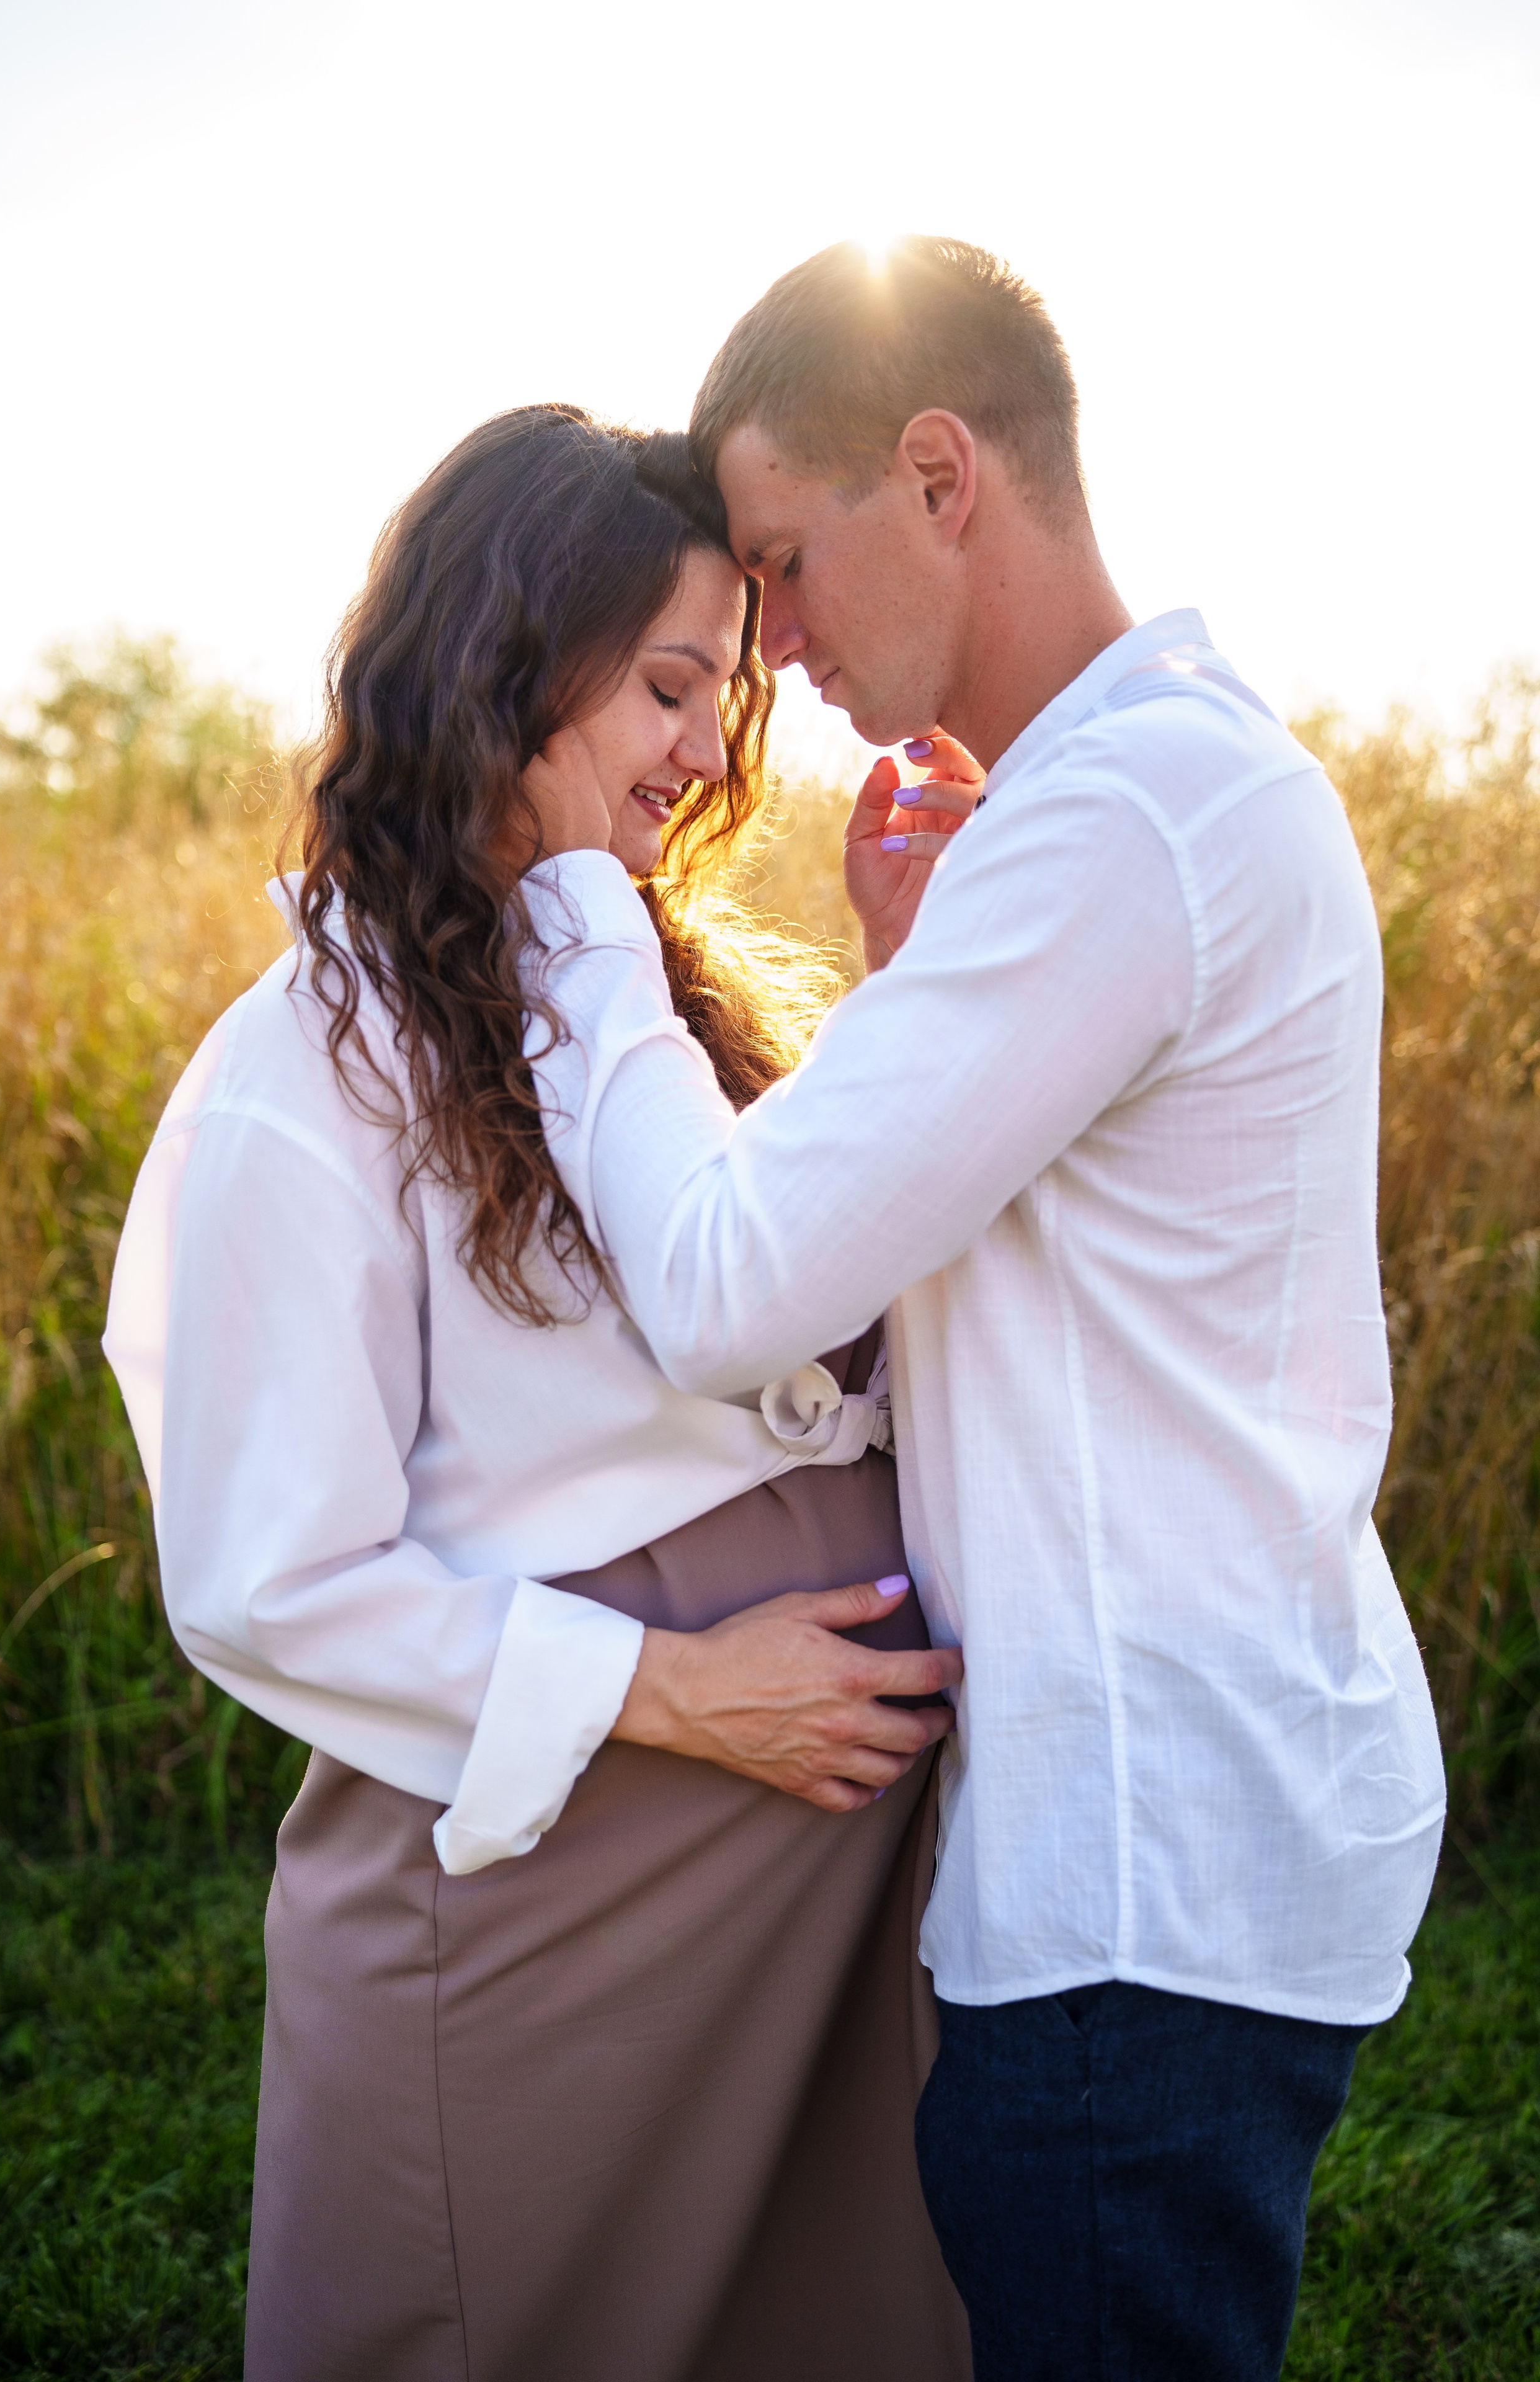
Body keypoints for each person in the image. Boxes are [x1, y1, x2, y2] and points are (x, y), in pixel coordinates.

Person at [519, 239, 1449, 2382]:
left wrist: (580, 904)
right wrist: (910, 980)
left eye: (781, 561)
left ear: (940, 474)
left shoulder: (1120, 820)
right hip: (1186, 1836)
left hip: (1142, 1892)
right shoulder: (1150, 791)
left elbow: (731, 1287)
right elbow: (964, 1231)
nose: (771, 644)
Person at [103, 404, 971, 2382]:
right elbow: (264, 1574)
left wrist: (911, 990)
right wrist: (681, 1695)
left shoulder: (648, 1004)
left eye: (724, 698)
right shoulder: (306, 1072)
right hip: (565, 1892)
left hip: (817, 1886)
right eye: (669, 686)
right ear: (507, 656)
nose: (705, 750)